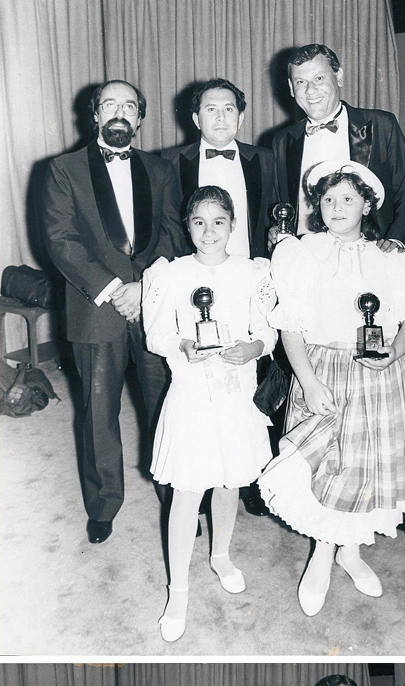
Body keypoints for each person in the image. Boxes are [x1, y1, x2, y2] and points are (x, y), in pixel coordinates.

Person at [271, 43, 405, 556]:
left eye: (320, 79)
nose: (311, 91)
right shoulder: (280, 140)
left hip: (371, 263)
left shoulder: (378, 124)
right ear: (290, 90)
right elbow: (277, 205)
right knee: (312, 389)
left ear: (338, 77)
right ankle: (316, 494)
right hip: (311, 267)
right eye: (300, 83)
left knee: (386, 406)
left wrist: (397, 244)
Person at [258, 160, 405, 615]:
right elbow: (290, 327)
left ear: (367, 205)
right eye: (329, 199)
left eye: (348, 199)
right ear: (318, 205)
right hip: (323, 370)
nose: (337, 207)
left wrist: (393, 352)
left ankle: (351, 552)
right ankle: (321, 554)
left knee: (365, 469)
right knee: (327, 469)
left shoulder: (388, 257)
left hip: (378, 375)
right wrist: (309, 381)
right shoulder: (302, 252)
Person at [43, 79, 186, 543]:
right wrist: (113, 289)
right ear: (95, 115)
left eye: (129, 105)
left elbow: (172, 235)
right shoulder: (63, 169)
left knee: (164, 406)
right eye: (110, 104)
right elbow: (62, 241)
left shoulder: (161, 169)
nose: (120, 112)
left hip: (154, 307)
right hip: (96, 310)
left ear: (140, 117)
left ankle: (175, 494)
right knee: (97, 412)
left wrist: (143, 287)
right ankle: (104, 504)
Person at [142, 185, 276, 643]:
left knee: (229, 481)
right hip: (193, 392)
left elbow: (268, 331)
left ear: (232, 225)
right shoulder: (170, 274)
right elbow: (155, 334)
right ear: (187, 226)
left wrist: (253, 348)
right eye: (199, 222)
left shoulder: (253, 272)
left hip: (237, 392)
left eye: (219, 222)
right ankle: (177, 589)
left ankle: (220, 554)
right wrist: (181, 345)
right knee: (186, 491)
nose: (209, 231)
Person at [163, 77, 278, 517]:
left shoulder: (263, 159)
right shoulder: (171, 162)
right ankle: (192, 487)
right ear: (195, 118)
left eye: (229, 109)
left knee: (250, 381)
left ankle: (247, 476)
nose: (220, 117)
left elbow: (276, 214)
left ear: (241, 115)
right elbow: (169, 228)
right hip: (197, 283)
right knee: (198, 385)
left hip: (247, 283)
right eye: (211, 109)